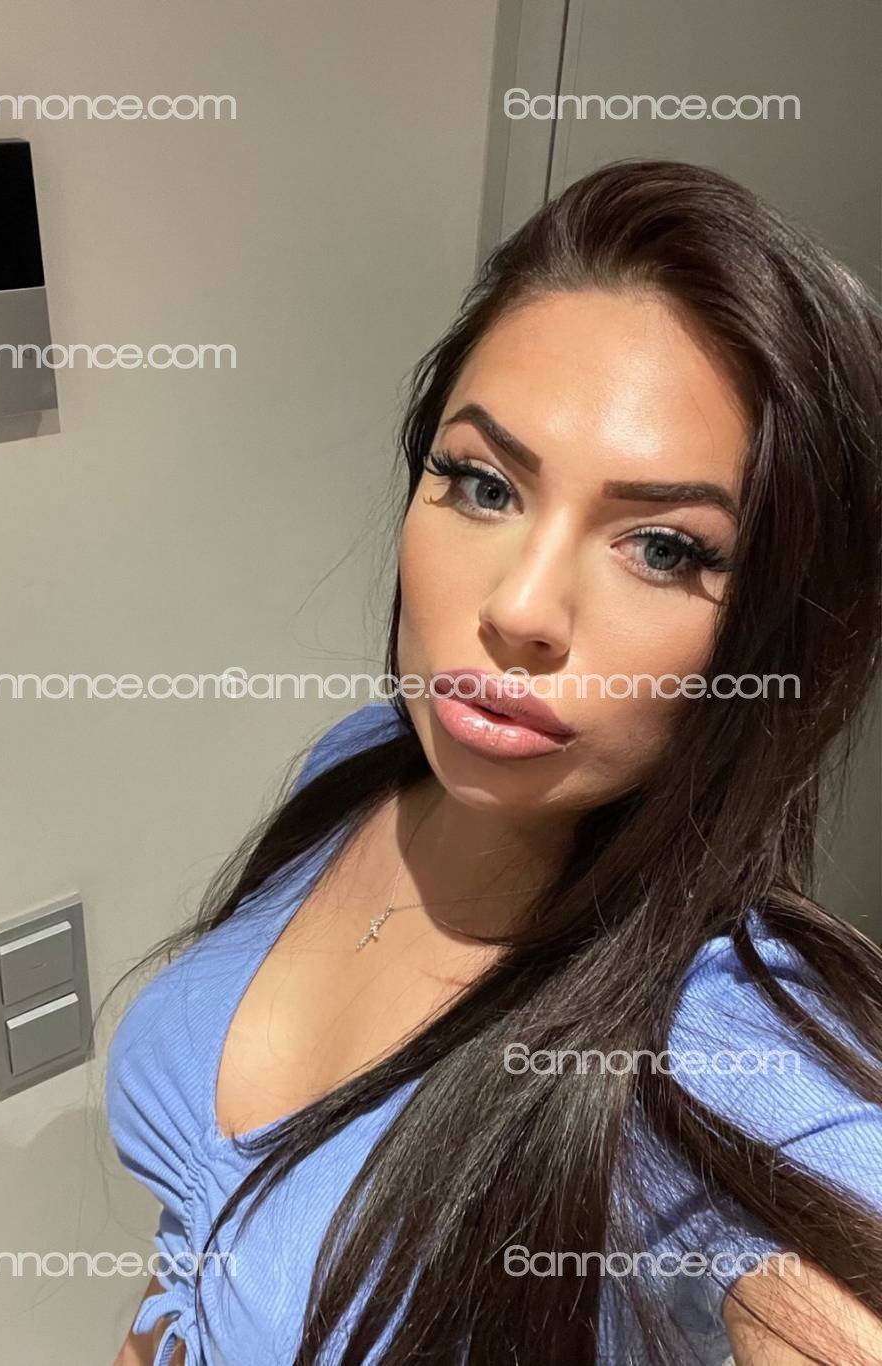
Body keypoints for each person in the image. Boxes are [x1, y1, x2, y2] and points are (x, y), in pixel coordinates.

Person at [104, 159, 882, 1365]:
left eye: (664, 548)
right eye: (483, 483)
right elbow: (188, 1253)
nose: (520, 607)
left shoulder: (723, 1046)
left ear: (777, 631)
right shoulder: (363, 765)